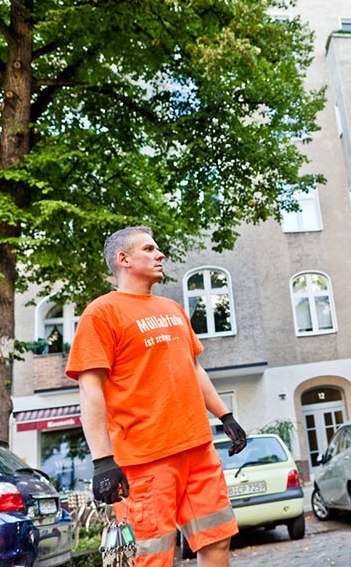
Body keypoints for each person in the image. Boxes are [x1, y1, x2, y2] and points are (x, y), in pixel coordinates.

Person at [66, 225, 247, 566]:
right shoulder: (101, 313)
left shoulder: (172, 308)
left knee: (217, 542)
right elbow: (91, 391)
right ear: (124, 259)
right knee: (154, 558)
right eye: (149, 249)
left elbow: (194, 371)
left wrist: (226, 416)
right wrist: (102, 461)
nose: (159, 254)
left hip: (198, 450)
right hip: (146, 461)